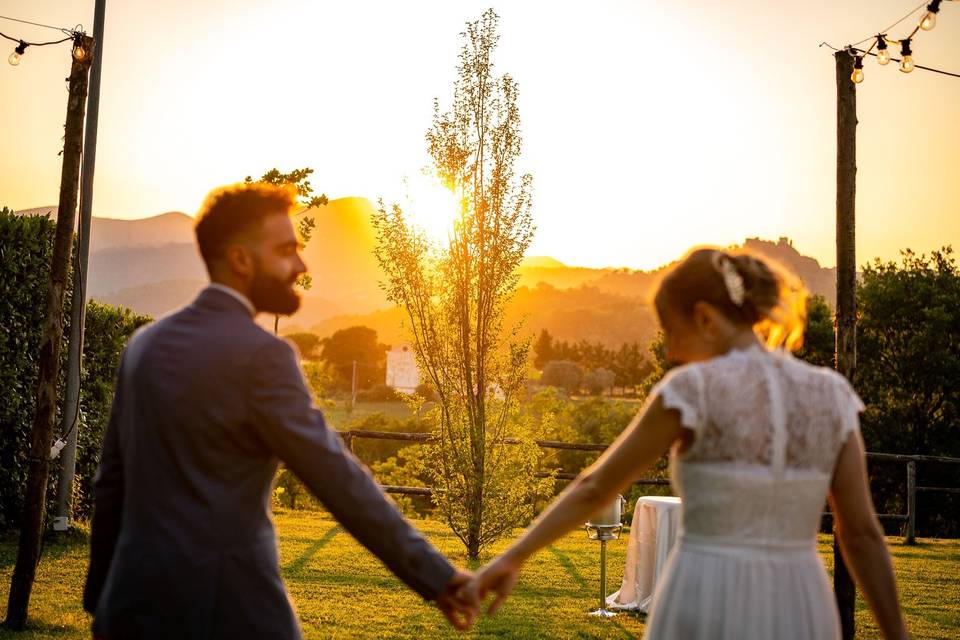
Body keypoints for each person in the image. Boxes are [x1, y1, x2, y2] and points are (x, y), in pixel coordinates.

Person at [82, 182, 475, 639]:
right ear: (241, 260)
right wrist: (437, 577)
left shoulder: (142, 346)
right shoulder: (263, 357)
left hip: (129, 613)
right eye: (287, 250)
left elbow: (111, 485)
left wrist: (102, 599)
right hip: (234, 614)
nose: (301, 265)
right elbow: (337, 479)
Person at [463, 248, 908, 639]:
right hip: (801, 602)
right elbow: (861, 532)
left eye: (671, 332)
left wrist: (515, 557)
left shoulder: (693, 390)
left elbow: (596, 488)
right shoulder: (830, 395)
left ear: (705, 318)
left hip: (707, 593)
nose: (672, 352)